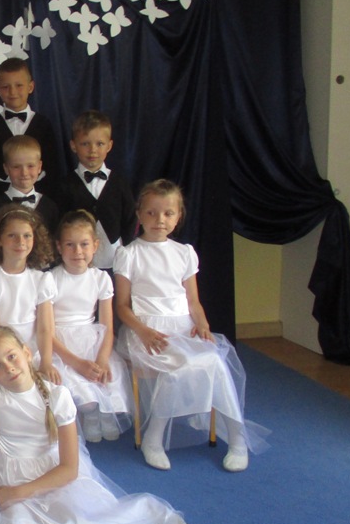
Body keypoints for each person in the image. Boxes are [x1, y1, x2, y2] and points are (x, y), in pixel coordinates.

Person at [0, 326, 190, 524]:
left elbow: (69, 470)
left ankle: (153, 514)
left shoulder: (57, 396)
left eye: (11, 356)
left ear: (27, 352)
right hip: (12, 473)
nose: (8, 368)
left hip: (55, 474)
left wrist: (17, 492)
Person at [114, 180, 263, 471]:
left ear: (178, 216)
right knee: (177, 366)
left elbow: (193, 301)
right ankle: (153, 438)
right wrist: (143, 331)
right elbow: (122, 306)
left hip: (183, 327)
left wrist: (203, 324)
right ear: (139, 213)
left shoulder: (184, 252)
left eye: (168, 213)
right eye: (152, 212)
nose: (160, 220)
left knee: (216, 362)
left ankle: (237, 437)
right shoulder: (129, 254)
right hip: (147, 330)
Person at [51, 210, 133, 442]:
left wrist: (103, 359)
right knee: (83, 395)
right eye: (70, 244)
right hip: (61, 345)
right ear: (59, 247)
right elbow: (45, 331)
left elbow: (107, 325)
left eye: (84, 244)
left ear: (95, 246)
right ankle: (90, 415)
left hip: (92, 339)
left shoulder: (101, 278)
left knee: (108, 377)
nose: (77, 251)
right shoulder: (50, 279)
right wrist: (76, 362)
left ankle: (104, 414)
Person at [0, 205, 60, 383]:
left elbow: (45, 328)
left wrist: (46, 362)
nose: (20, 241)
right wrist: (15, 358)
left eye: (27, 235)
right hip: (3, 355)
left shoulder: (41, 279)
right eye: (12, 235)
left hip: (36, 351)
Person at [55, 110, 136, 271]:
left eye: (99, 144)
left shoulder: (119, 182)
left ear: (109, 146)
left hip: (115, 259)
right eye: (85, 144)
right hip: (77, 262)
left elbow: (130, 219)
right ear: (73, 146)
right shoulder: (65, 186)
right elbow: (60, 224)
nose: (93, 150)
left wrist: (127, 249)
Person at [0, 58, 61, 198]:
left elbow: (52, 168)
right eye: (6, 87)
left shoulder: (43, 124)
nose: (12, 92)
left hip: (37, 198)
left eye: (19, 85)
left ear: (30, 87)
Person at [0, 135, 59, 236]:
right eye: (16, 167)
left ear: (39, 167)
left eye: (30, 166)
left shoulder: (50, 206)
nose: (24, 173)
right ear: (6, 169)